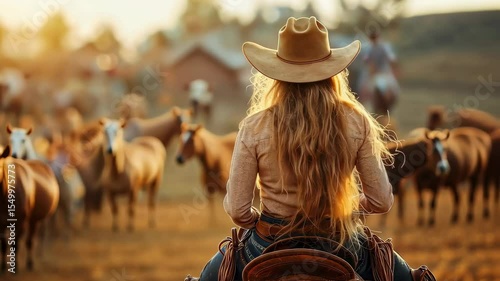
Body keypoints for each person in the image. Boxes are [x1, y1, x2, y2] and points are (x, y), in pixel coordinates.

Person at [186, 17, 435, 281]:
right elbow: (381, 200)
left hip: (266, 242)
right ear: (332, 71)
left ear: (277, 74)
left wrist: (259, 219)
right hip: (341, 243)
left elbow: (237, 210)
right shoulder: (356, 119)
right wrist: (347, 208)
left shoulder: (253, 126)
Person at [357, 29, 400, 115]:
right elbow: (366, 59)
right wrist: (370, 65)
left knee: (395, 89)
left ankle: (389, 107)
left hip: (384, 72)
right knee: (362, 88)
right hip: (373, 73)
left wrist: (393, 67)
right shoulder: (368, 48)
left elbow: (391, 58)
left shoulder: (384, 46)